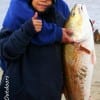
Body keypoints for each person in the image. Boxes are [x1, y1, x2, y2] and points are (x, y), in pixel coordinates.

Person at [0, 0, 73, 100]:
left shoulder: (61, 12)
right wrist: (26, 31)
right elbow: (7, 52)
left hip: (51, 94)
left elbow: (72, 47)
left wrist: (86, 28)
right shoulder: (15, 18)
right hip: (16, 94)